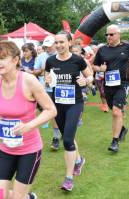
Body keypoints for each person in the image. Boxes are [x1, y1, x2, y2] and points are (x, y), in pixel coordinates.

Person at [0, 40, 56, 199]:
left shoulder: (28, 80)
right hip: (7, 149)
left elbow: (51, 110)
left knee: (17, 197)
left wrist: (29, 126)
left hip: (29, 151)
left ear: (16, 60)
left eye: (2, 58)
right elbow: (0, 106)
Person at [45, 31, 93, 191]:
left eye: (61, 42)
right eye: (56, 42)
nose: (58, 45)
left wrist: (86, 80)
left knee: (66, 140)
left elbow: (90, 74)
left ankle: (69, 178)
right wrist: (48, 80)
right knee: (68, 137)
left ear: (69, 43)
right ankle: (78, 160)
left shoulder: (78, 60)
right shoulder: (50, 60)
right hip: (58, 104)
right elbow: (47, 77)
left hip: (74, 103)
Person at [93, 24, 129, 152]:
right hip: (108, 85)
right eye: (107, 34)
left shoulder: (127, 47)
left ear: (118, 34)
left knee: (116, 111)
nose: (108, 37)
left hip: (123, 84)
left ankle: (115, 142)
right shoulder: (102, 49)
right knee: (114, 111)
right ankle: (121, 129)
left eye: (111, 34)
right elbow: (93, 66)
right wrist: (100, 69)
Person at [34, 35, 62, 150]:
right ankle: (56, 137)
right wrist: (42, 70)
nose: (48, 49)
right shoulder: (41, 56)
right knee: (53, 112)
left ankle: (62, 132)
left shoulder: (61, 56)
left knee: (62, 113)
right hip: (46, 89)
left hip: (61, 88)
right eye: (46, 47)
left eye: (50, 46)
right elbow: (35, 71)